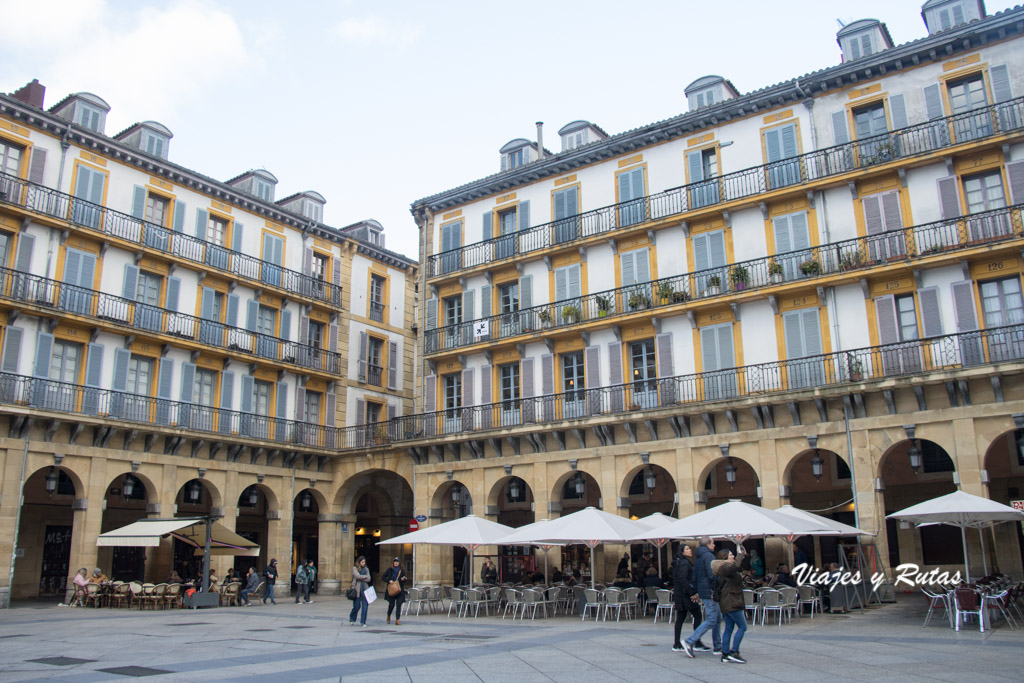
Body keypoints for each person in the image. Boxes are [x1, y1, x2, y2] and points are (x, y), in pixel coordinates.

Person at [681, 537, 721, 657]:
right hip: (710, 592)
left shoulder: (698, 556)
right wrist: (720, 580)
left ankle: (718, 646)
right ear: (708, 544)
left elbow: (695, 575)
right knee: (712, 619)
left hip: (705, 590)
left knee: (717, 618)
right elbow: (712, 574)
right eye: (713, 543)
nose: (714, 545)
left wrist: (697, 591)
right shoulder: (709, 556)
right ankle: (690, 641)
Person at [714, 546, 748, 664]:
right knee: (743, 627)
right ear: (724, 558)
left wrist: (742, 555)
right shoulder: (724, 568)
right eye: (731, 555)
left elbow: (737, 567)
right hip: (732, 602)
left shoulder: (727, 568)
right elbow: (736, 567)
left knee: (729, 628)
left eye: (734, 554)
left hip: (728, 601)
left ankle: (725, 654)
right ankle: (734, 652)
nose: (733, 556)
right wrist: (740, 555)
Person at [672, 544, 708, 653]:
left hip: (681, 594)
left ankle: (677, 643)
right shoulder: (684, 563)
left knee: (681, 618)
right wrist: (691, 592)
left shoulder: (680, 562)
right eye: (687, 549)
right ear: (682, 552)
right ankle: (696, 641)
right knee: (697, 615)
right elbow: (683, 579)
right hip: (685, 595)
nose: (690, 550)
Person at [382, 557, 407, 625]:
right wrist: (388, 581)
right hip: (392, 589)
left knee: (399, 604)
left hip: (399, 589)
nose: (396, 563)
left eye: (397, 562)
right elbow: (383, 577)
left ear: (399, 563)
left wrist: (403, 579)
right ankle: (389, 615)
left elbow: (405, 578)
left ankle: (397, 619)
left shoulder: (401, 570)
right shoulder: (390, 570)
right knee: (391, 604)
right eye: (395, 561)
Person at [349, 555, 371, 626]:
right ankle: (352, 617)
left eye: (364, 562)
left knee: (365, 606)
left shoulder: (366, 569)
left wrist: (362, 577)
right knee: (357, 606)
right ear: (359, 562)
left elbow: (369, 579)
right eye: (362, 562)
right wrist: (365, 577)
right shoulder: (355, 568)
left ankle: (363, 621)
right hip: (357, 590)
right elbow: (357, 576)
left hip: (365, 589)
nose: (364, 563)